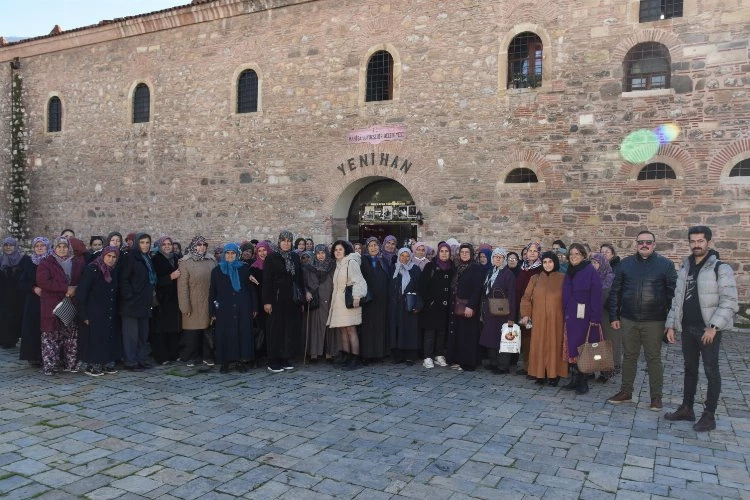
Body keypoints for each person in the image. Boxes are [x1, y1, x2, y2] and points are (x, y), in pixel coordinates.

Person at [664, 226, 738, 432]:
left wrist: (714, 327)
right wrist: (671, 324)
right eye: (693, 241)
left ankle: (709, 415)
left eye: (700, 241)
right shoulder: (685, 266)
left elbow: (730, 301)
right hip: (687, 328)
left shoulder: (720, 268)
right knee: (689, 369)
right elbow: (677, 299)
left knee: (711, 371)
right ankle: (687, 408)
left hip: (708, 330)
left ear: (709, 242)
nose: (696, 245)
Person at [606, 230, 677, 410]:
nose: (644, 245)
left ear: (654, 244)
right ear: (636, 244)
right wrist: (614, 315)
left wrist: (671, 324)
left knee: (653, 358)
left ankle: (656, 397)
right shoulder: (625, 264)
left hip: (655, 320)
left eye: (648, 242)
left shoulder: (666, 265)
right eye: (641, 242)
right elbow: (616, 291)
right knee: (629, 356)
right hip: (628, 319)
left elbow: (673, 296)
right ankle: (626, 392)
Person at [37, 237, 85, 375]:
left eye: (65, 246)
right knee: (50, 336)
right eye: (59, 247)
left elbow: (82, 280)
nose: (62, 249)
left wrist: (75, 288)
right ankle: (51, 366)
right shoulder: (46, 263)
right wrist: (66, 288)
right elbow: (43, 282)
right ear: (54, 248)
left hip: (70, 303)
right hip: (52, 304)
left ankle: (70, 364)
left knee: (70, 336)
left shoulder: (76, 262)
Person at [518, 251, 567, 385]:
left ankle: (553, 375)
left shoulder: (563, 278)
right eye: (545, 262)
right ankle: (539, 374)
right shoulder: (535, 278)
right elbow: (526, 298)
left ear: (555, 262)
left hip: (556, 319)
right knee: (538, 345)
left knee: (554, 346)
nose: (547, 264)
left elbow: (568, 299)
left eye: (550, 261)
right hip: (538, 319)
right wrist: (526, 314)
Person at [561, 244, 602, 393]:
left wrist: (595, 317)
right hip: (570, 316)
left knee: (583, 348)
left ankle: (583, 382)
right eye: (571, 254)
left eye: (577, 253)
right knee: (571, 348)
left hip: (584, 318)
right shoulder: (569, 271)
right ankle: (574, 379)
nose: (573, 256)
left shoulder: (590, 271)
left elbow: (596, 296)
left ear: (584, 255)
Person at [209, 243, 256, 373]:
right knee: (225, 335)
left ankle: (240, 361)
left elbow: (251, 289)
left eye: (233, 253)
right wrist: (212, 311)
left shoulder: (244, 269)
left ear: (237, 255)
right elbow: (212, 292)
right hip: (224, 308)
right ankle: (225, 362)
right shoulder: (217, 271)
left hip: (242, 307)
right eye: (227, 253)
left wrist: (254, 308)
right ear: (224, 254)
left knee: (241, 333)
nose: (230, 256)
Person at [263, 230, 304, 372]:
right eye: (284, 240)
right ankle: (273, 360)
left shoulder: (294, 257)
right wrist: (267, 301)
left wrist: (302, 298)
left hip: (291, 300)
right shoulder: (272, 258)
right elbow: (267, 281)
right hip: (276, 299)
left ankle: (285, 358)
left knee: (288, 330)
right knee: (275, 330)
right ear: (279, 241)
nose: (286, 243)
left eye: (289, 241)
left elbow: (299, 279)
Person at [77, 246, 121, 376]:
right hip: (93, 311)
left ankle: (105, 362)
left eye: (114, 257)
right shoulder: (92, 269)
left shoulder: (113, 271)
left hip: (107, 310)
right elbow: (82, 293)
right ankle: (91, 365)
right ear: (103, 256)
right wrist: (83, 314)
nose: (111, 259)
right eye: (109, 256)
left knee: (106, 337)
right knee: (94, 339)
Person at [326, 240, 368, 370]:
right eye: (335, 250)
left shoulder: (351, 262)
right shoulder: (338, 265)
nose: (337, 252)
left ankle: (355, 358)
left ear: (345, 250)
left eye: (340, 249)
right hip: (339, 302)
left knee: (351, 330)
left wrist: (356, 296)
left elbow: (359, 281)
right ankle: (346, 356)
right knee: (342, 330)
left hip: (349, 301)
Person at [118, 232, 157, 371]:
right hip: (132, 304)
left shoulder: (146, 258)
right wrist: (130, 296)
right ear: (136, 244)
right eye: (142, 242)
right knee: (131, 336)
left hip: (144, 303)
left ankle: (141, 359)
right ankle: (130, 361)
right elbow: (123, 279)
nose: (145, 245)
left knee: (142, 334)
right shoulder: (130, 258)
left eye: (147, 242)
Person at [177, 236, 217, 368]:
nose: (202, 247)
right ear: (193, 246)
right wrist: (184, 306)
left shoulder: (211, 260)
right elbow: (182, 287)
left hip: (208, 300)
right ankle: (191, 356)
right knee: (192, 332)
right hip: (192, 301)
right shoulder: (186, 262)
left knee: (207, 329)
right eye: (199, 245)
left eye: (204, 244)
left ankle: (207, 356)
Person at [447, 243, 484, 371]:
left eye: (467, 252)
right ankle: (459, 360)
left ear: (471, 254)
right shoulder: (458, 267)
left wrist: (471, 306)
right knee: (459, 335)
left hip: (468, 306)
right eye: (462, 252)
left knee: (469, 335)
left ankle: (468, 363)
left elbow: (477, 289)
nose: (464, 254)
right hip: (457, 305)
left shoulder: (476, 268)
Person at [479, 248, 516, 373]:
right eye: (495, 256)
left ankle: (503, 366)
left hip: (502, 312)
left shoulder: (508, 274)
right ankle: (493, 362)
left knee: (503, 338)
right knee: (491, 336)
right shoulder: (490, 272)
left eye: (500, 257)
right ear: (492, 258)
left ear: (504, 259)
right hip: (490, 310)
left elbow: (511, 295)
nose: (498, 259)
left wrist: (511, 316)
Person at [419, 242, 454, 369]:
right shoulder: (431, 266)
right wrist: (429, 301)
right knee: (430, 332)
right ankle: (427, 356)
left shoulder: (452, 267)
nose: (444, 253)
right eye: (442, 251)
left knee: (442, 332)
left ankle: (439, 354)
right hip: (432, 306)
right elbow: (422, 286)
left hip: (446, 306)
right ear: (438, 253)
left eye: (446, 251)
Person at [514, 242, 544, 375]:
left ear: (539, 253)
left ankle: (535, 367)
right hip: (522, 307)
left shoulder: (540, 269)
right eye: (529, 250)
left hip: (535, 308)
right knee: (525, 338)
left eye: (535, 251)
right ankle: (527, 366)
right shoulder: (523, 267)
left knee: (534, 338)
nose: (532, 253)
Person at [18, 237, 50, 365]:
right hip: (33, 301)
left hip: (48, 300)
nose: (40, 248)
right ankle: (33, 356)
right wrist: (33, 288)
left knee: (46, 328)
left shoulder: (51, 261)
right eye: (37, 246)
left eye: (42, 245)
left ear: (47, 247)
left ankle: (46, 355)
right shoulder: (29, 262)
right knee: (32, 328)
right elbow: (21, 282)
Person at [388, 248, 422, 364]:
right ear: (398, 256)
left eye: (407, 256)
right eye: (402, 255)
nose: (404, 258)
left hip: (409, 304)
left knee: (409, 330)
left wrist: (418, 304)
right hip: (395, 306)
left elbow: (420, 288)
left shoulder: (415, 269)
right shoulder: (393, 268)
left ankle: (410, 356)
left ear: (410, 257)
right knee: (397, 329)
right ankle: (398, 355)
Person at [151, 236, 181, 365]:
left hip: (174, 298)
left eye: (169, 244)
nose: (168, 246)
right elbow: (154, 280)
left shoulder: (176, 258)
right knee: (160, 329)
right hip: (162, 299)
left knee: (173, 328)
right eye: (164, 244)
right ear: (160, 246)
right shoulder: (155, 260)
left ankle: (173, 354)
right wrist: (170, 277)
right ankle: (162, 356)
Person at [359, 237, 390, 362]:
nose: (373, 248)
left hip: (381, 299)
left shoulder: (384, 260)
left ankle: (379, 353)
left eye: (375, 245)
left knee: (380, 326)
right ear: (367, 247)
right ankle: (367, 354)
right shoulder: (362, 260)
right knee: (368, 327)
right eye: (371, 245)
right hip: (368, 299)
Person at [590, 252, 618, 381]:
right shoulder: (590, 277)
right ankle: (591, 369)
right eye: (591, 262)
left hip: (606, 317)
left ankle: (605, 372)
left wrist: (614, 316)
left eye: (596, 263)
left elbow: (614, 299)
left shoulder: (610, 278)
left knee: (605, 344)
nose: (593, 265)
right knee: (594, 344)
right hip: (593, 316)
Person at [305, 244, 336, 361]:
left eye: (323, 253)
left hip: (328, 299)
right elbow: (304, 283)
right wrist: (307, 292)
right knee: (315, 326)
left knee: (328, 326)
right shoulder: (309, 267)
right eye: (318, 253)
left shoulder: (331, 266)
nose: (321, 255)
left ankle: (329, 352)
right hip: (315, 300)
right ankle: (314, 352)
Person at [0, 237, 25, 348]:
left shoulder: (23, 260)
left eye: (11, 245)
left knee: (16, 317)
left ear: (15, 246)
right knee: (3, 317)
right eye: (6, 245)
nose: (8, 247)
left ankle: (13, 338)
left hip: (18, 295)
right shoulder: (0, 260)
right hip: (3, 295)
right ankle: (4, 339)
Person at [249, 241, 271, 361]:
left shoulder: (273, 265)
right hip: (259, 302)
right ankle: (261, 354)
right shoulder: (254, 268)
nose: (262, 253)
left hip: (272, 302)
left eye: (264, 250)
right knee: (261, 329)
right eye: (259, 251)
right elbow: (252, 288)